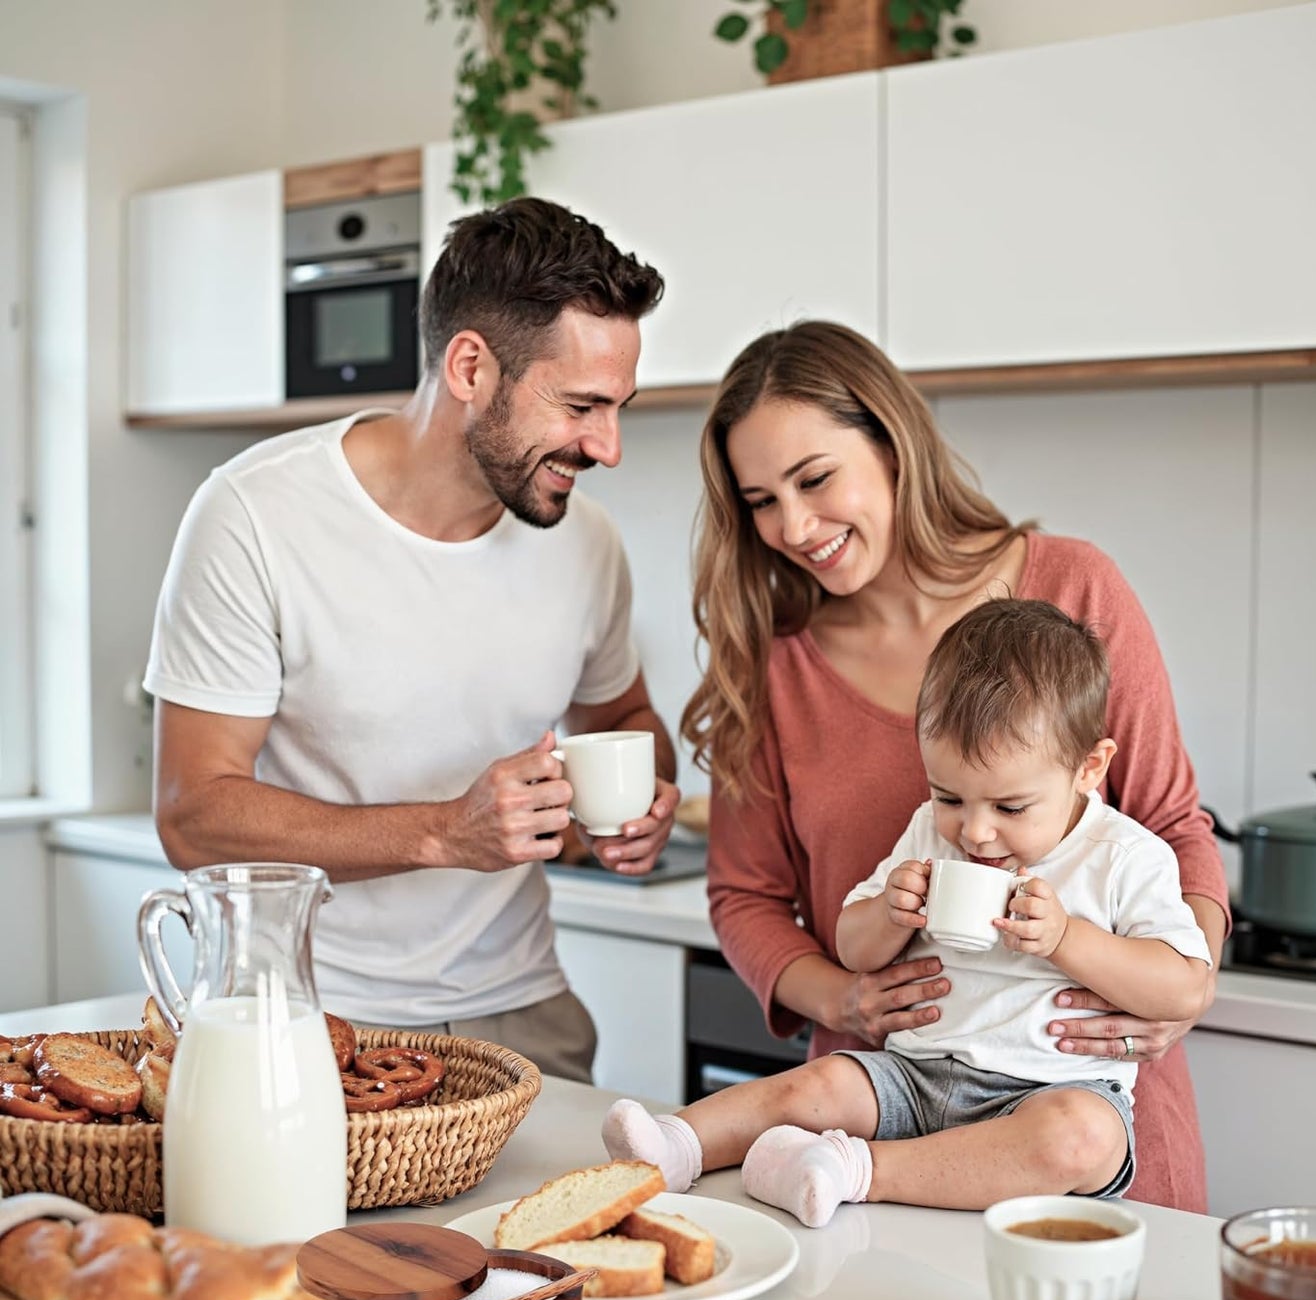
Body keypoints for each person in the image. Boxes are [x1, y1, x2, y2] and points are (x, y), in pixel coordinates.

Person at [679, 320, 1229, 1210]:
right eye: (760, 501)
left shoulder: (1074, 589)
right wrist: (845, 999)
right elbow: (743, 896)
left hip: (1083, 1118)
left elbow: (1171, 824)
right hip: (866, 1140)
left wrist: (1178, 988)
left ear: (892, 445)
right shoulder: (770, 669)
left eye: (814, 479)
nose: (793, 525)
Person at [143, 197, 679, 1082]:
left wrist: (642, 799)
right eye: (582, 404)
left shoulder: (586, 544)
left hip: (523, 1016)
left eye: (618, 406)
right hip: (303, 1014)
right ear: (470, 365)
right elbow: (193, 814)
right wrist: (442, 833)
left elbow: (619, 710)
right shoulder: (254, 515)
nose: (608, 447)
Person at [603, 599, 1212, 1225]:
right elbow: (852, 949)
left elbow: (1183, 987)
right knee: (818, 1085)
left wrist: (1065, 939)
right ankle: (675, 1146)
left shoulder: (1125, 857)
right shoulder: (929, 831)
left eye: (1010, 807)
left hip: (1050, 1092)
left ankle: (855, 1169)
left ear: (1089, 768)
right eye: (949, 795)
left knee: (1084, 1140)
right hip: (914, 1072)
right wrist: (890, 915)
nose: (974, 832)